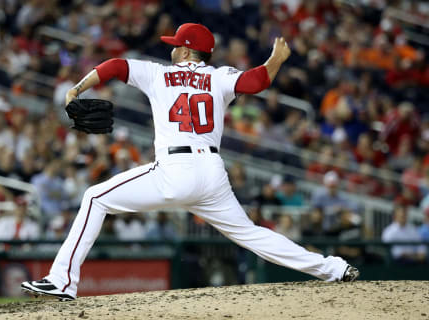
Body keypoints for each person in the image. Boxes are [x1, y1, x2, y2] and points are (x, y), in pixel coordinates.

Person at [22, 23, 359, 301]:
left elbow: (114, 66)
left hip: (174, 170)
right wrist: (276, 59)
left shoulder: (158, 74)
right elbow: (257, 81)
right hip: (212, 174)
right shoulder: (218, 76)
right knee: (252, 234)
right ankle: (333, 268)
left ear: (184, 50)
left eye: (174, 44)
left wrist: (76, 89)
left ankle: (62, 282)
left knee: (95, 198)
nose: (170, 48)